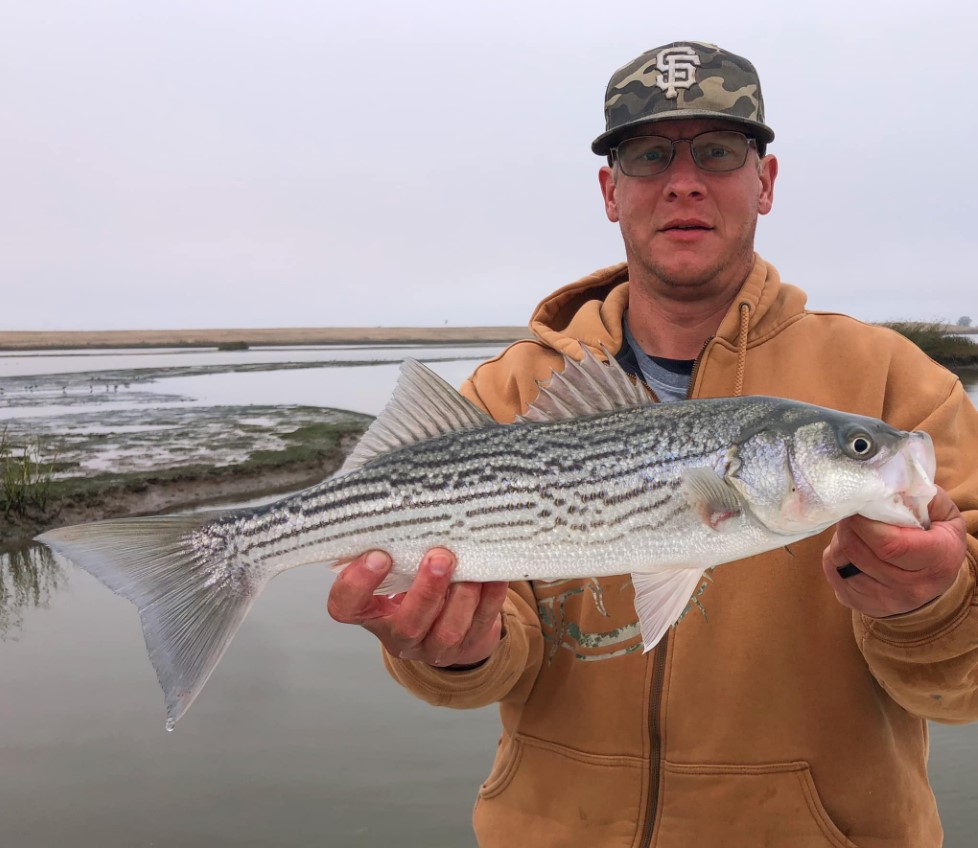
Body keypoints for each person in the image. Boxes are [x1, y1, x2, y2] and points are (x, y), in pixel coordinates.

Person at [327, 41, 978, 846]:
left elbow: (964, 689)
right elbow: (480, 671)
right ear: (610, 190)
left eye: (718, 149)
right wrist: (454, 652)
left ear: (765, 179)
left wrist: (931, 605)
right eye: (646, 154)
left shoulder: (897, 382)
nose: (683, 181)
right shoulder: (508, 393)